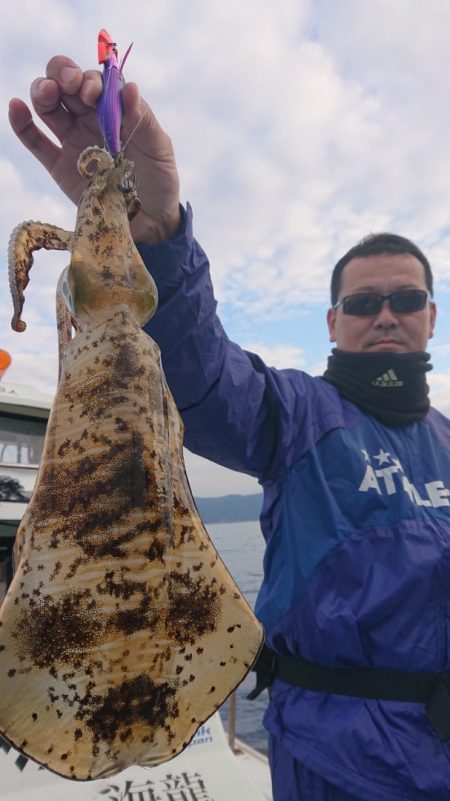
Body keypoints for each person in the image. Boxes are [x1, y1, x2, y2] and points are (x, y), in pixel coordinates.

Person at [9, 57, 450, 801]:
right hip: (337, 767)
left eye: (405, 300)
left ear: (431, 316)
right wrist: (157, 232)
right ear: (332, 321)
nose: (385, 314)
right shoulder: (296, 413)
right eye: (363, 302)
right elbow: (201, 376)